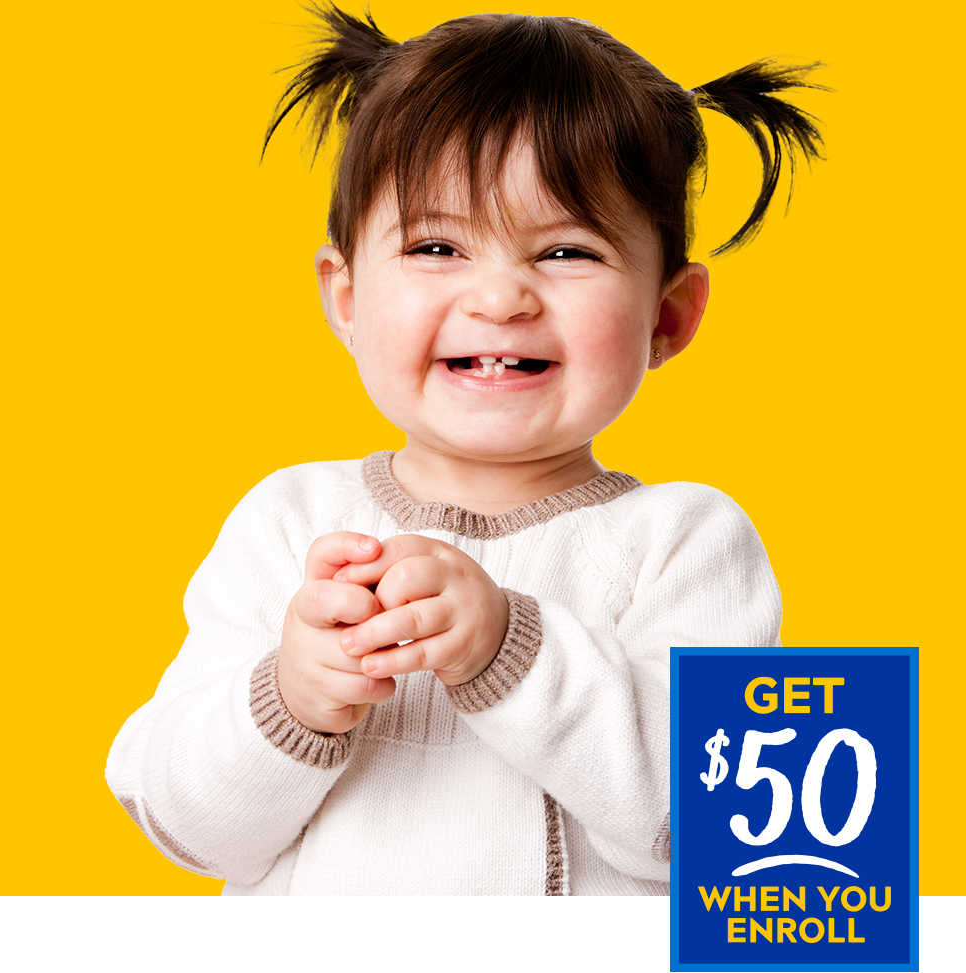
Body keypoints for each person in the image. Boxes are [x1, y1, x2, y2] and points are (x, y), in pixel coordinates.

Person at [106, 5, 824, 895]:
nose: (499, 297)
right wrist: (289, 702)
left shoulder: (686, 541)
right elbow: (183, 826)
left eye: (566, 249)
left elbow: (724, 833)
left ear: (666, 316)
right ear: (345, 294)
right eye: (436, 244)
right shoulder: (289, 525)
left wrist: (511, 651)